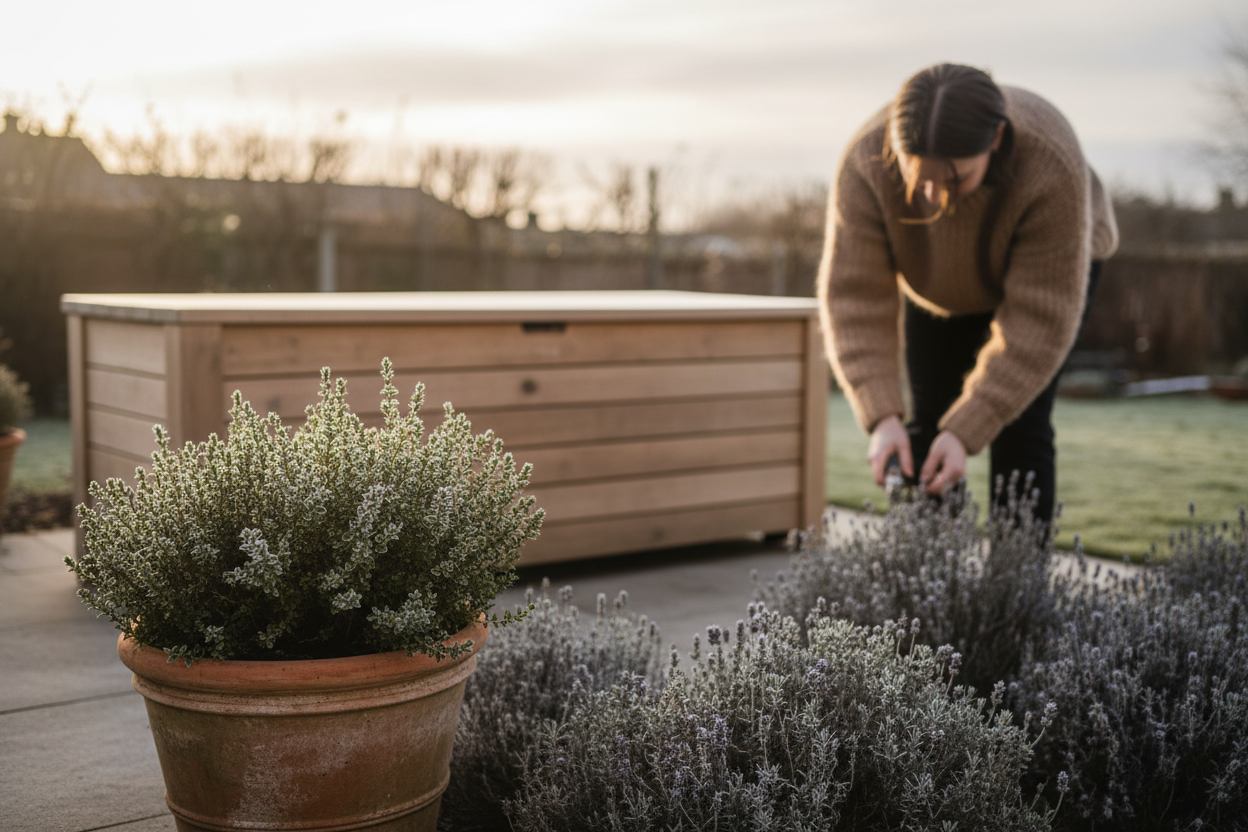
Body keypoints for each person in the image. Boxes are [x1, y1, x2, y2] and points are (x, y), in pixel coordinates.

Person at [816, 63, 1118, 524]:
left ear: (995, 139)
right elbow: (855, 298)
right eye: (920, 179)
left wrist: (968, 429)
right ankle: (928, 579)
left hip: (1053, 274)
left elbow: (1036, 326)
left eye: (954, 179)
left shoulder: (1050, 162)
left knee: (1019, 427)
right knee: (927, 425)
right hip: (934, 281)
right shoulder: (865, 162)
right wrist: (881, 417)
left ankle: (1016, 591)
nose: (935, 197)